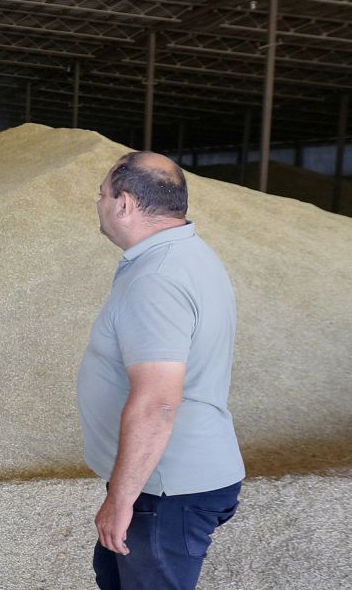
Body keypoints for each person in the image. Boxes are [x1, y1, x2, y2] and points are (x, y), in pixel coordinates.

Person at [77, 151, 245, 590]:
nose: (99, 204)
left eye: (102, 194)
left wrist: (121, 498)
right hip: (162, 481)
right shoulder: (186, 255)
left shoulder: (158, 277)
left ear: (125, 204)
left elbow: (157, 403)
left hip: (167, 489)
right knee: (114, 577)